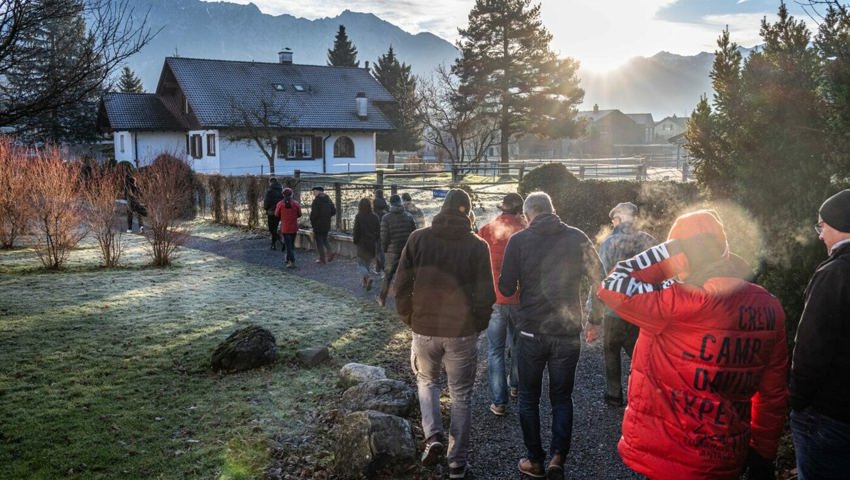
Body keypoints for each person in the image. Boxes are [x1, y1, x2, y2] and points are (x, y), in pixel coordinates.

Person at [596, 209, 788, 480]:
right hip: (727, 453)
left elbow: (613, 284)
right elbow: (772, 393)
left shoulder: (676, 302)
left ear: (679, 251)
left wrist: (667, 256)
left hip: (669, 455)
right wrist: (763, 454)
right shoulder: (769, 305)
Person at [498, 192, 604, 480]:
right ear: (553, 209)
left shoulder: (518, 241)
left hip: (531, 330)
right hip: (567, 331)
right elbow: (600, 278)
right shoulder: (577, 237)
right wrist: (595, 318)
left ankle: (535, 460)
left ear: (528, 214)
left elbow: (506, 289)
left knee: (529, 398)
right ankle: (558, 456)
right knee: (561, 397)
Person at [394, 188, 495, 480]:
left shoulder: (418, 239)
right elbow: (486, 293)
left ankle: (433, 437)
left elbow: (401, 284)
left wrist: (410, 318)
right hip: (461, 333)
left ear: (443, 208)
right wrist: (477, 324)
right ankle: (457, 464)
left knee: (427, 382)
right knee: (461, 395)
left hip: (424, 328)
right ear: (467, 210)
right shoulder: (477, 245)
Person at [790, 189, 850, 480]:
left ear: (839, 224)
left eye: (822, 226)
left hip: (829, 413)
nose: (819, 235)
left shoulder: (835, 273)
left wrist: (798, 399)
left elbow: (811, 347)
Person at [592, 202, 655, 406]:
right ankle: (646, 393)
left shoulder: (609, 243)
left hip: (615, 310)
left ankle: (614, 394)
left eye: (613, 220)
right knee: (641, 353)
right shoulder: (649, 241)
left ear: (618, 219)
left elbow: (600, 280)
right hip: (643, 309)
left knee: (611, 349)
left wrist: (593, 314)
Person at [478, 192, 526, 416]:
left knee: (495, 351)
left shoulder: (486, 230)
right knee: (518, 346)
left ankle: (499, 402)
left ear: (502, 209)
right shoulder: (526, 231)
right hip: (520, 299)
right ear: (519, 211)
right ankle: (516, 386)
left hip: (494, 298)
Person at [377, 194, 416, 307]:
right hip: (406, 251)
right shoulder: (409, 216)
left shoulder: (386, 218)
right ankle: (406, 301)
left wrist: (384, 250)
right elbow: (413, 234)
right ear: (400, 203)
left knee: (388, 276)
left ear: (390, 204)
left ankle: (382, 299)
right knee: (407, 276)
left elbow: (384, 237)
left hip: (392, 252)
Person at [352, 197, 380, 290]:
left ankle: (368, 277)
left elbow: (356, 230)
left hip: (361, 243)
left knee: (360, 264)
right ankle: (365, 282)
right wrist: (375, 239)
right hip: (371, 243)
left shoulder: (359, 216)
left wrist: (355, 240)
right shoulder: (375, 216)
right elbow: (378, 230)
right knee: (367, 263)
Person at [274, 187, 301, 269]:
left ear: (283, 195)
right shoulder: (296, 203)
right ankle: (288, 258)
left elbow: (276, 214)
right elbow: (299, 214)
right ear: (292, 194)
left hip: (285, 227)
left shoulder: (280, 204)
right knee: (291, 245)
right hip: (293, 227)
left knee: (288, 245)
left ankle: (291, 261)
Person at [309, 186, 336, 264]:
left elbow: (314, 214)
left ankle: (322, 258)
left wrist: (313, 222)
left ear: (319, 191)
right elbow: (334, 211)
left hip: (317, 224)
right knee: (324, 239)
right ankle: (330, 252)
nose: (313, 193)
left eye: (314, 191)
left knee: (319, 242)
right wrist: (327, 216)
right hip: (327, 223)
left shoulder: (316, 201)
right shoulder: (328, 199)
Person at [263, 177, 284, 250]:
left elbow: (267, 202)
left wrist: (265, 208)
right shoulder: (281, 191)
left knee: (272, 229)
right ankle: (273, 244)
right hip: (279, 212)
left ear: (270, 182)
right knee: (275, 228)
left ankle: (280, 241)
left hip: (271, 212)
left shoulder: (270, 191)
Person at [373, 189, 389, 272]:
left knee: (377, 249)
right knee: (382, 249)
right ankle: (381, 266)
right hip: (384, 229)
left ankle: (378, 267)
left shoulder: (375, 204)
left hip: (376, 229)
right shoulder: (385, 203)